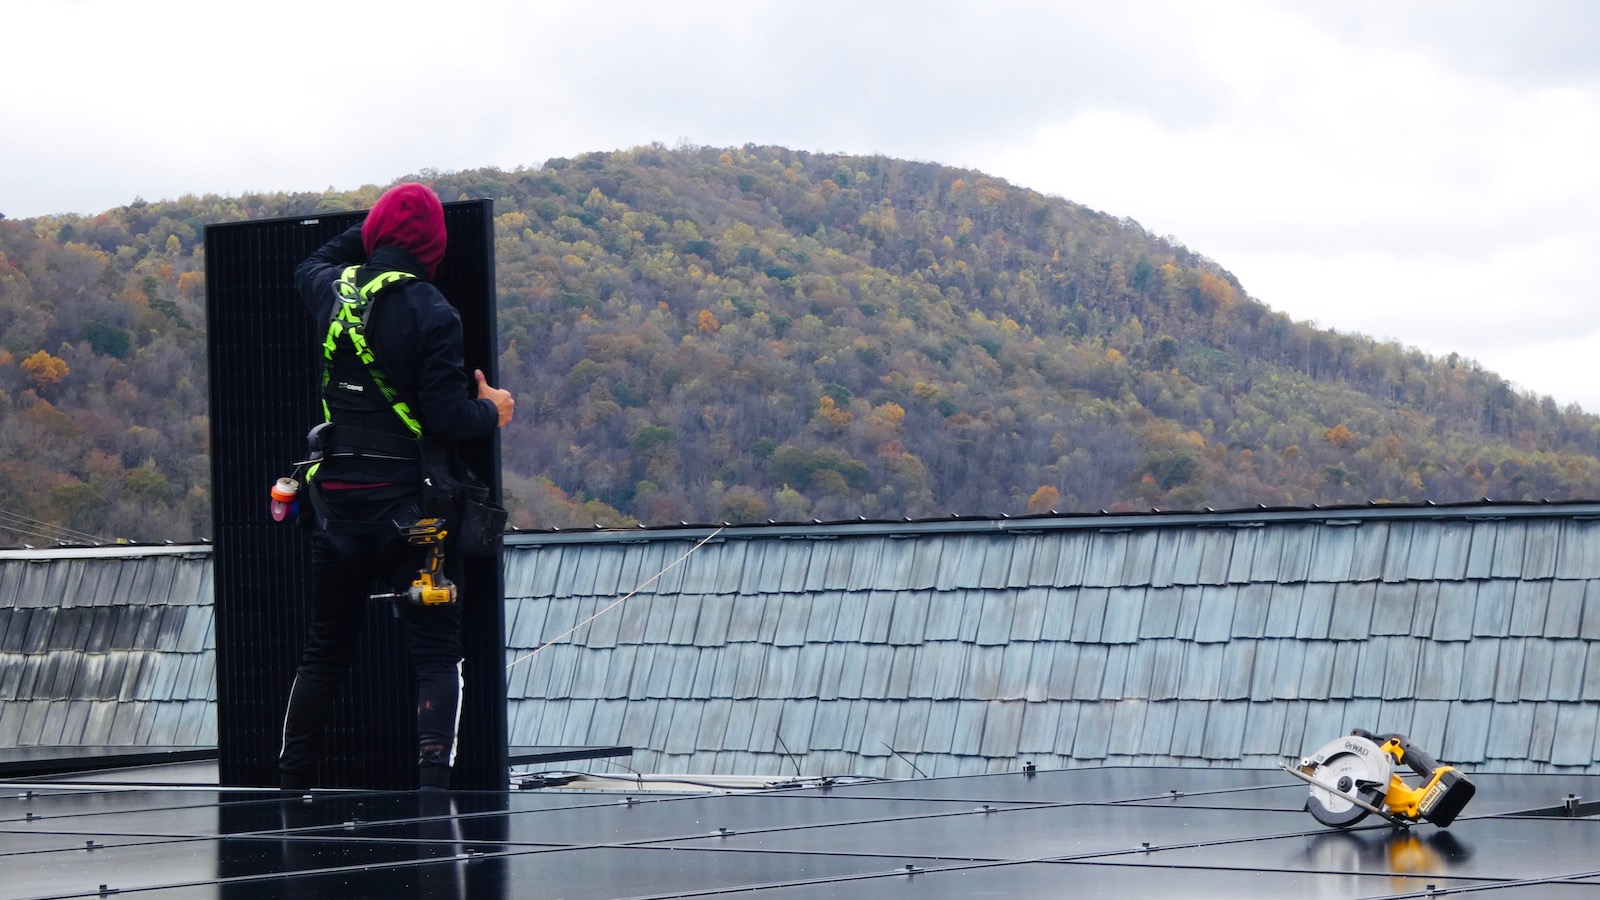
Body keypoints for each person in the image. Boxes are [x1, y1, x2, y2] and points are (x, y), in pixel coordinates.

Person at [278, 183, 514, 791]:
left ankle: (292, 781)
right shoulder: (433, 311)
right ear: (433, 247)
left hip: (337, 506)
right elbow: (447, 419)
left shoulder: (333, 291)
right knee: (435, 653)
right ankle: (433, 793)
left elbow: (313, 259)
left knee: (324, 651)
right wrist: (494, 410)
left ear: (377, 234)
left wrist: (379, 231)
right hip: (415, 514)